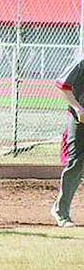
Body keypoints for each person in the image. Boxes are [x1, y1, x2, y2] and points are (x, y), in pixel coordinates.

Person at [51, 53, 84, 227]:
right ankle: (61, 211)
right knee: (76, 163)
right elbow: (63, 86)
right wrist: (78, 108)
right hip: (80, 119)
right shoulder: (81, 62)